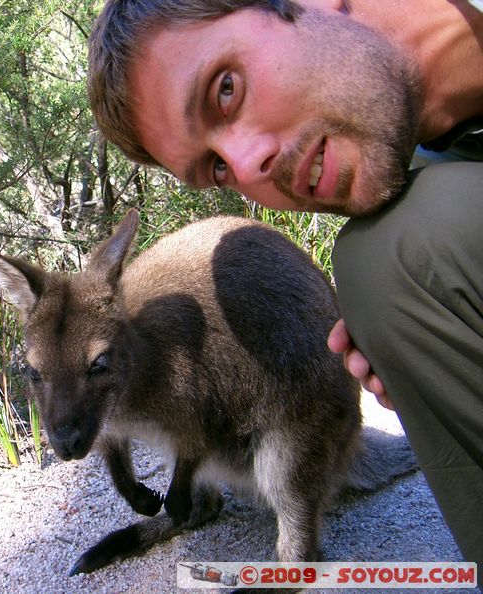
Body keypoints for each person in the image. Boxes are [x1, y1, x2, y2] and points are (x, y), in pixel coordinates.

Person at [87, 0, 483, 585]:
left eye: (226, 88)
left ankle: (296, 558)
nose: (249, 166)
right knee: (384, 263)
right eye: (217, 169)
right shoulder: (427, 174)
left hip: (287, 430)